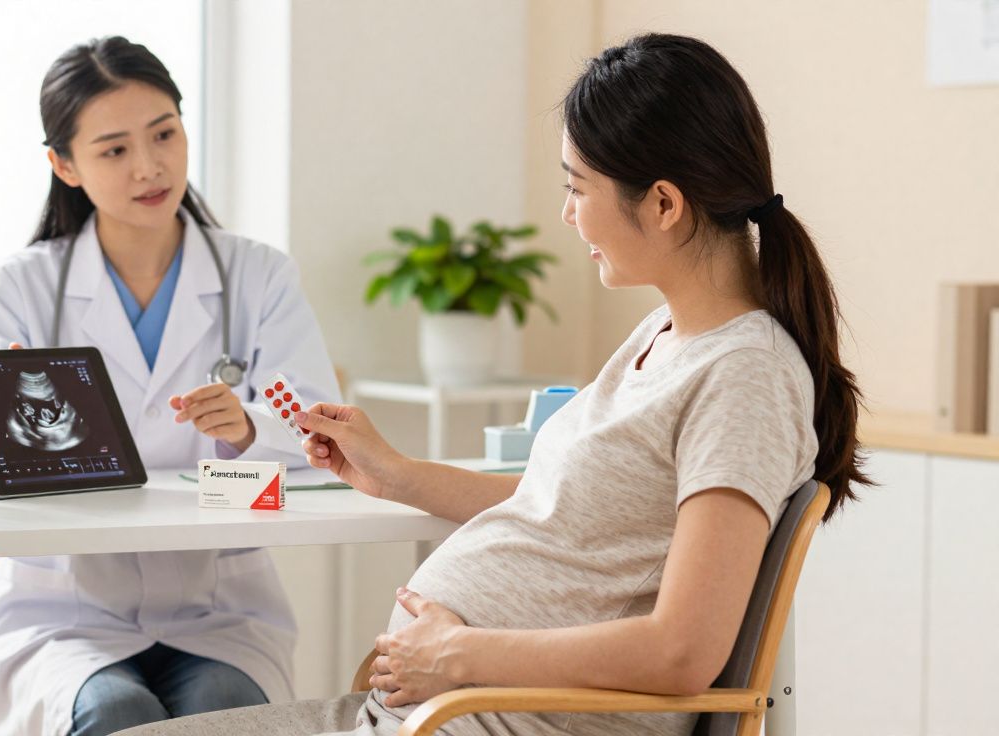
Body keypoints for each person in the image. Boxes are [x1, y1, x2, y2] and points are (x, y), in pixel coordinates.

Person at [116, 32, 867, 736]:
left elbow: (683, 651)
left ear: (664, 205)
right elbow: (563, 511)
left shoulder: (744, 376)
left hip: (492, 714)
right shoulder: (665, 337)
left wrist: (461, 656)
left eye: (578, 188)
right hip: (440, 712)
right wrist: (396, 475)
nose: (567, 214)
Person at [0, 36, 340, 736]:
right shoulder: (21, 288)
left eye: (164, 134)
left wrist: (250, 426)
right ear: (64, 165)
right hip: (63, 608)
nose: (149, 167)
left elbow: (317, 433)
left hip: (219, 605)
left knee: (221, 712)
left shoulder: (259, 277)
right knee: (114, 712)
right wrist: (2, 415)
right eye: (114, 150)